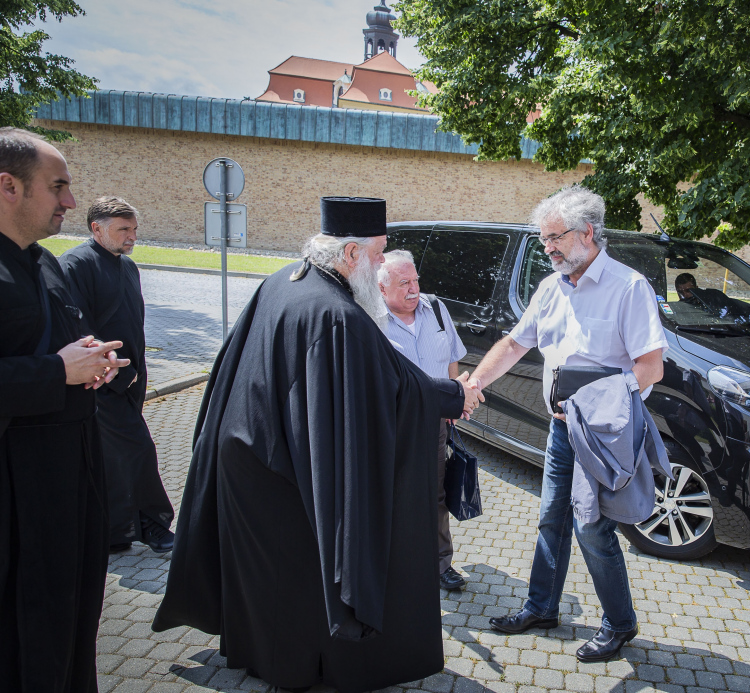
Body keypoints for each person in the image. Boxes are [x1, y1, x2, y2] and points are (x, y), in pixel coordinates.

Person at [152, 197, 483, 692]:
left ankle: (262, 655)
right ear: (350, 254)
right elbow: (387, 387)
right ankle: (302, 667)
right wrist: (455, 394)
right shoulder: (335, 314)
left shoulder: (286, 280)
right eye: (377, 255)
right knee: (296, 579)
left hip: (249, 459)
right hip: (281, 475)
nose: (380, 264)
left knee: (270, 582)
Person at [469, 186, 668, 662]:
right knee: (551, 520)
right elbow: (516, 345)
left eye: (554, 238)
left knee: (593, 529)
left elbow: (650, 367)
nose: (548, 248)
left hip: (603, 434)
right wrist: (473, 383)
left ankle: (619, 624)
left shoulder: (629, 287)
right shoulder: (549, 287)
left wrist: (597, 404)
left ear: (588, 233)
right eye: (544, 241)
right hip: (560, 429)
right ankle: (541, 608)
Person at [0, 127, 129, 692]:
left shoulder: (44, 264)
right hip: (15, 492)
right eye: (57, 187)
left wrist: (92, 366)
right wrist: (58, 372)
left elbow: (64, 344)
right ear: (8, 186)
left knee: (72, 620)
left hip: (72, 478)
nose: (70, 203)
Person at [59, 197, 175, 554]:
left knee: (111, 456)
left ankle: (113, 533)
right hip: (100, 380)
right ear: (97, 228)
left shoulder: (127, 266)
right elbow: (77, 324)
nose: (132, 237)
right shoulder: (75, 265)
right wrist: (106, 366)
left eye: (134, 229)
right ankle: (155, 525)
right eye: (123, 229)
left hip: (130, 378)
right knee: (137, 449)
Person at [377, 249, 469, 591]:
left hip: (433, 424)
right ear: (382, 290)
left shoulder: (437, 310)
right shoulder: (371, 320)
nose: (414, 288)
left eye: (415, 280)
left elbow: (452, 362)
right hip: (391, 425)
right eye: (404, 283)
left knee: (435, 494)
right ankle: (391, 563)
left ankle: (441, 564)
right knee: (392, 494)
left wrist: (452, 403)